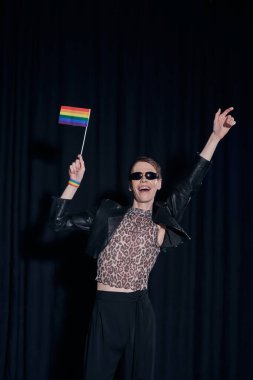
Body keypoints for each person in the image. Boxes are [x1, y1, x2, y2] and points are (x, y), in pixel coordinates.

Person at [49, 107, 236, 380]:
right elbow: (57, 223)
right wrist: (73, 183)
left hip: (139, 311)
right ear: (130, 185)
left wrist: (215, 137)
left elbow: (189, 186)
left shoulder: (162, 219)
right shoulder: (107, 213)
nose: (144, 179)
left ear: (159, 183)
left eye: (150, 176)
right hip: (104, 309)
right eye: (137, 176)